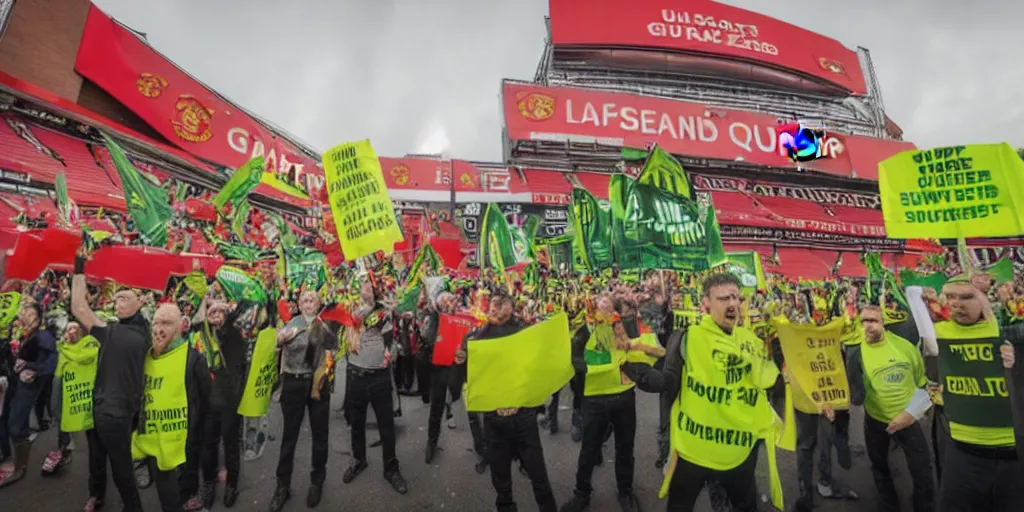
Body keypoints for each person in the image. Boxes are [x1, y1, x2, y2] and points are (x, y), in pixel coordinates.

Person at [621, 273, 780, 512]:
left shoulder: (750, 341)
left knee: (744, 507)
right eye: (723, 298)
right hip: (694, 451)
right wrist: (627, 363)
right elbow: (665, 381)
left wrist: (782, 349)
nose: (732, 304)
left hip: (738, 449)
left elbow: (770, 382)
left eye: (736, 297)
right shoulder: (688, 338)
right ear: (706, 303)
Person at [454, 289, 558, 512]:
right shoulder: (475, 337)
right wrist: (461, 360)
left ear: (512, 306)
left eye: (504, 303)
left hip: (524, 418)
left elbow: (539, 372)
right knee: (501, 482)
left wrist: (522, 402)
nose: (498, 307)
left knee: (539, 477)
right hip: (495, 420)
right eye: (494, 303)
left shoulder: (526, 332)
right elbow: (467, 379)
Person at [69, 246, 153, 512]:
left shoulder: (120, 332)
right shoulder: (130, 331)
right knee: (97, 458)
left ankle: (133, 507)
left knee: (120, 468)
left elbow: (78, 307)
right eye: (116, 299)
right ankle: (97, 496)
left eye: (125, 298)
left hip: (116, 413)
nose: (119, 303)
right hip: (108, 408)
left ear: (141, 302)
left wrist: (79, 269)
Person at [933, 276, 1022, 511]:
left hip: (1014, 456)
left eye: (967, 296)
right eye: (950, 296)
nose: (956, 304)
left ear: (986, 298)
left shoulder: (1010, 327)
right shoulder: (938, 331)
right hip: (962, 452)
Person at [845, 304, 935, 512]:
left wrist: (911, 413)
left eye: (873, 321)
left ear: (883, 323)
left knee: (922, 470)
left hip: (907, 420)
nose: (868, 326)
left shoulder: (905, 348)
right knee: (879, 466)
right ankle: (889, 504)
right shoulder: (856, 353)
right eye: (863, 322)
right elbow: (854, 387)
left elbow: (923, 385)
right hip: (876, 420)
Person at [560, 296, 646, 512]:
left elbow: (640, 347)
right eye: (602, 306)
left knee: (625, 448)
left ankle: (625, 492)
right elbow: (573, 360)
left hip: (624, 397)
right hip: (595, 399)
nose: (605, 311)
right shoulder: (583, 332)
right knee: (589, 449)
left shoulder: (624, 328)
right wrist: (596, 367)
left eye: (610, 307)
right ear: (593, 309)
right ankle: (581, 494)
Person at [133, 303, 211, 512]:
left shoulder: (194, 358)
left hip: (185, 437)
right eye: (156, 323)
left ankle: (188, 495)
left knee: (184, 478)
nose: (159, 330)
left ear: (180, 328)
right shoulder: (146, 356)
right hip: (155, 438)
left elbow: (205, 400)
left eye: (166, 323)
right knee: (165, 488)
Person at [269, 290, 337, 512]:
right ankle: (282, 486)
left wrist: (328, 375)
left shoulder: (325, 324)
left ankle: (317, 482)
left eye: (312, 300)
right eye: (304, 300)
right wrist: (279, 341)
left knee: (320, 436)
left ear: (319, 304)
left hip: (317, 385)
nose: (308, 303)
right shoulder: (291, 324)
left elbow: (334, 351)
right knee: (289, 437)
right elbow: (273, 348)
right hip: (294, 383)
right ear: (298, 304)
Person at [342, 276, 407, 494]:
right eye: (365, 287)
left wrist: (391, 351)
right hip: (355, 374)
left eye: (372, 288)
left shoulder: (383, 311)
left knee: (386, 425)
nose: (369, 291)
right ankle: (359, 459)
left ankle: (391, 468)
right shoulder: (349, 308)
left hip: (379, 376)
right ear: (359, 290)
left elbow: (391, 343)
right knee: (356, 423)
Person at [191, 296, 253, 509]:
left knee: (231, 445)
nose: (216, 317)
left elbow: (240, 358)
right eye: (212, 313)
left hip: (230, 400)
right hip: (208, 402)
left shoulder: (233, 334)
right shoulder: (201, 338)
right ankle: (208, 483)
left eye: (220, 313)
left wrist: (227, 320)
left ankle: (232, 485)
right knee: (208, 445)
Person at [0, 303, 56, 488]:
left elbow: (51, 361)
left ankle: (20, 468)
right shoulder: (21, 333)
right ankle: (12, 459)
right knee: (9, 420)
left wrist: (33, 369)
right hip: (13, 382)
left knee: (16, 426)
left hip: (28, 385)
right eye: (25, 313)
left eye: (32, 315)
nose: (27, 317)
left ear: (39, 319)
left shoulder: (43, 336)